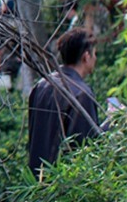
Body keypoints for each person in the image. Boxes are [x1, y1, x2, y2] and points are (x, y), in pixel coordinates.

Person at [27, 28, 103, 178]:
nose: (95, 58)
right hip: (64, 182)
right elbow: (86, 148)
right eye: (94, 54)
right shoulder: (81, 94)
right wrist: (109, 125)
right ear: (86, 56)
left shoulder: (42, 84)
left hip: (36, 178)